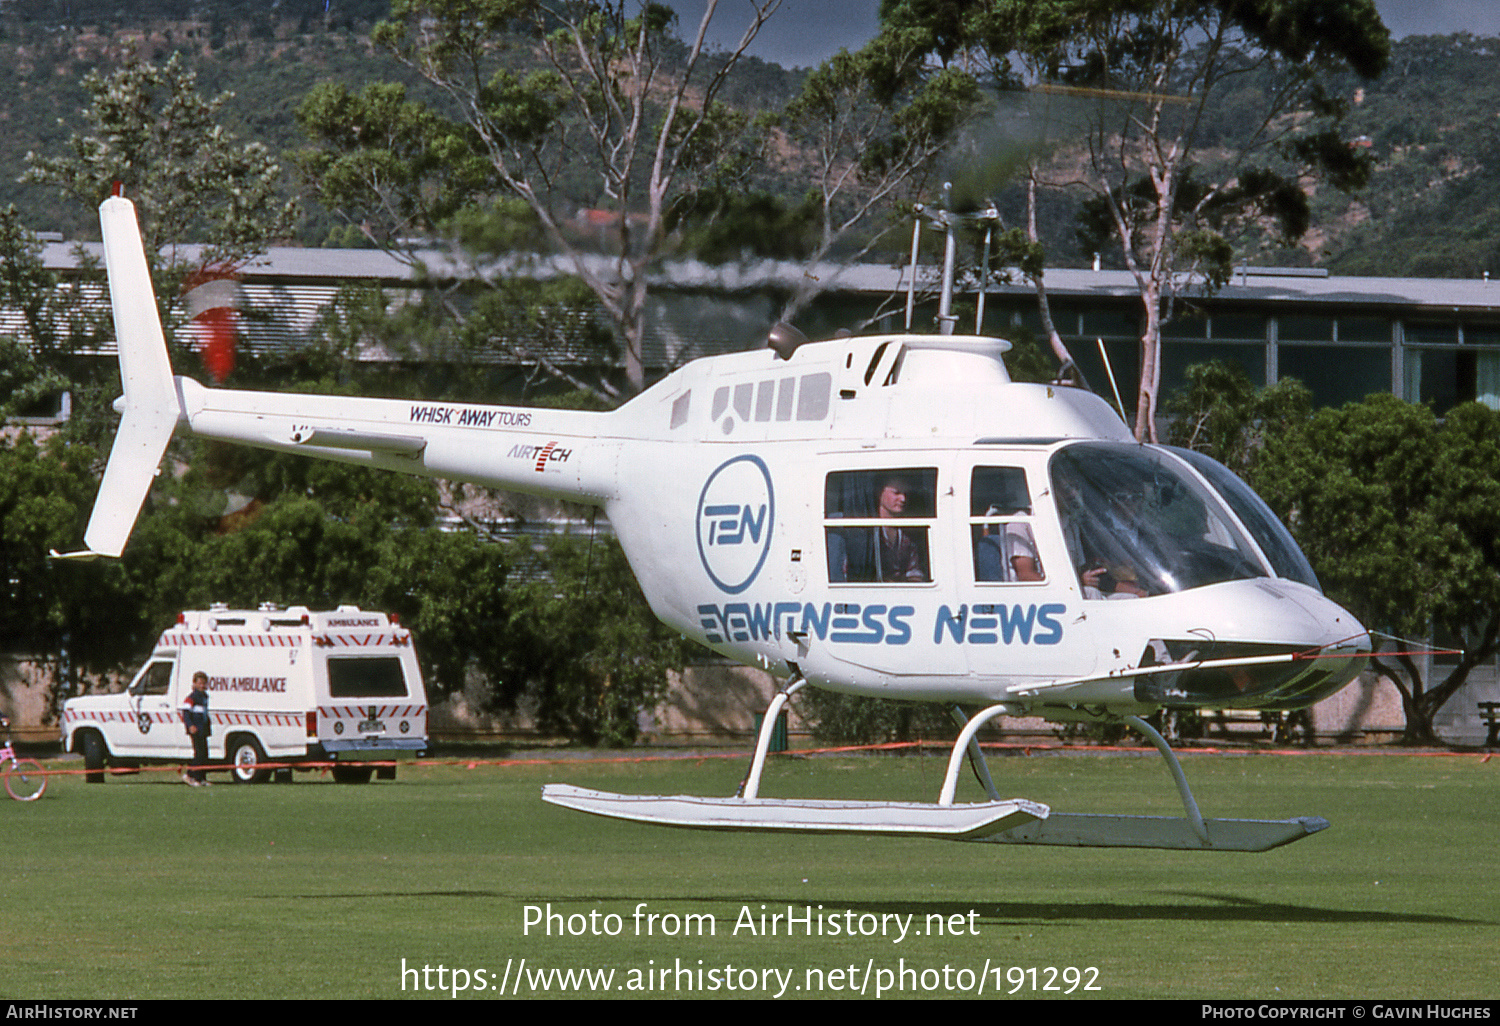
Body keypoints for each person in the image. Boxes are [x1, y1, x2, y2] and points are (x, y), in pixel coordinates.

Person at [875, 476, 926, 582]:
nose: (903, 499)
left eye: (906, 494)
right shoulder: (866, 533)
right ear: (879, 494)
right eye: (896, 493)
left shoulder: (907, 535)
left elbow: (914, 571)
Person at [180, 671, 211, 786]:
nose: (202, 686)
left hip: (203, 729)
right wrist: (190, 725)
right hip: (196, 729)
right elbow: (186, 713)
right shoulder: (191, 698)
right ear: (194, 684)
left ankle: (201, 778)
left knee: (205, 754)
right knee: (199, 754)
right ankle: (189, 775)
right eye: (200, 683)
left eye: (204, 683)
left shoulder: (204, 697)